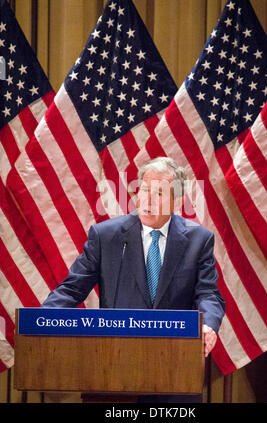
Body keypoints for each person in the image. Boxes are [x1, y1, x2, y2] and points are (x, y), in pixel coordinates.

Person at [41, 156, 225, 402]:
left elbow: (208, 294)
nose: (147, 200)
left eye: (159, 193)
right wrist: (42, 321)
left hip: (174, 370)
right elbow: (72, 289)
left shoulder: (198, 240)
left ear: (178, 201)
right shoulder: (106, 236)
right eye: (145, 190)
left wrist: (209, 325)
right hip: (113, 369)